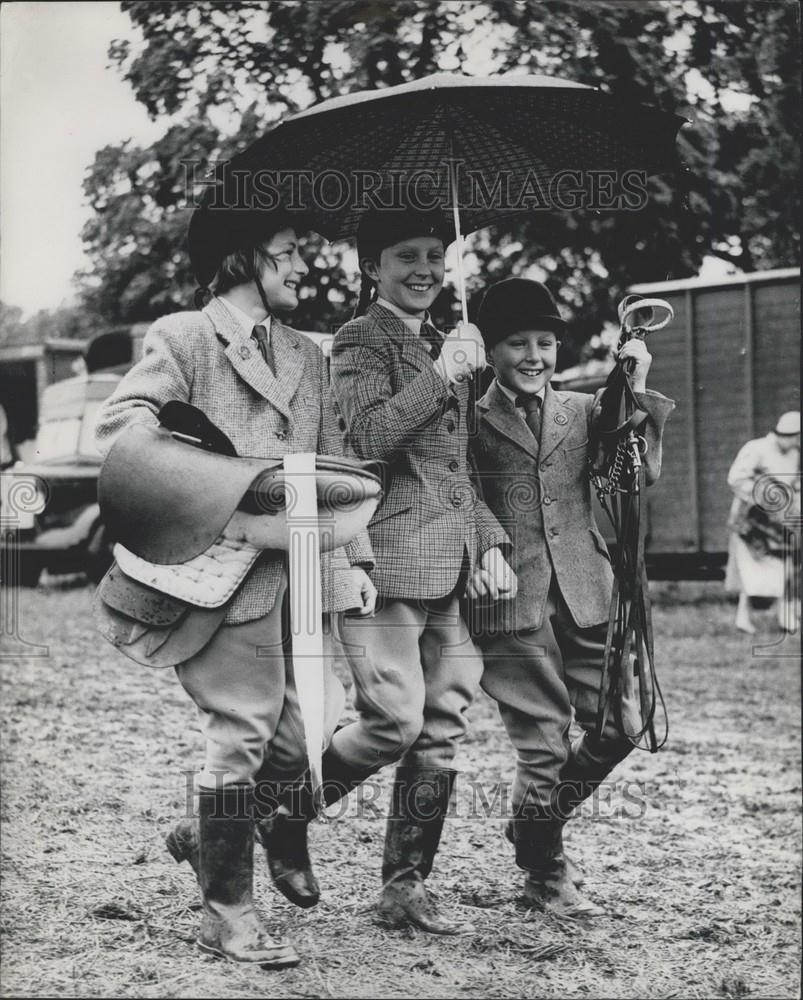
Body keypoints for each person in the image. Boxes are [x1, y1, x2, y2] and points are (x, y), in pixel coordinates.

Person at [94, 203, 376, 969]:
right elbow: (121, 429)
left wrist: (351, 570)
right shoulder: (183, 337)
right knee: (244, 733)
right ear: (241, 258)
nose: (300, 267)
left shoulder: (308, 357)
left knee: (300, 748)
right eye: (286, 253)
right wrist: (223, 478)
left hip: (299, 575)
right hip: (216, 575)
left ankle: (201, 831)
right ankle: (229, 910)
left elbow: (336, 474)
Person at [269, 208, 517, 935]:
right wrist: (440, 378)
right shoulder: (357, 341)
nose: (424, 269)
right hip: (385, 560)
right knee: (392, 722)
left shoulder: (450, 342)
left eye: (435, 255)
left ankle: (404, 888)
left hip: (451, 566)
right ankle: (270, 815)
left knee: (439, 728)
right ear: (370, 269)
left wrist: (490, 540)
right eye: (405, 255)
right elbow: (361, 441)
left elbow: (458, 467)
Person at [468, 278, 674, 917]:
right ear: (488, 348)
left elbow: (635, 473)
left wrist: (634, 390)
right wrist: (488, 545)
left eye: (545, 343)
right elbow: (458, 490)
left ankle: (532, 827)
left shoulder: (585, 410)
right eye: (516, 343)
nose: (533, 356)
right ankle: (544, 870)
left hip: (589, 591)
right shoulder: (467, 416)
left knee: (623, 727)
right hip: (510, 598)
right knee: (542, 745)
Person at [725, 411, 801, 634]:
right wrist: (764, 496)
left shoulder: (794, 454)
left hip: (778, 522)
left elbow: (794, 484)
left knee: (782, 566)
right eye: (796, 437)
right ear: (786, 434)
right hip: (751, 518)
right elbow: (736, 478)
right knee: (751, 568)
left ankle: (784, 617)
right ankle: (743, 618)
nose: (798, 442)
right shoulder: (756, 448)